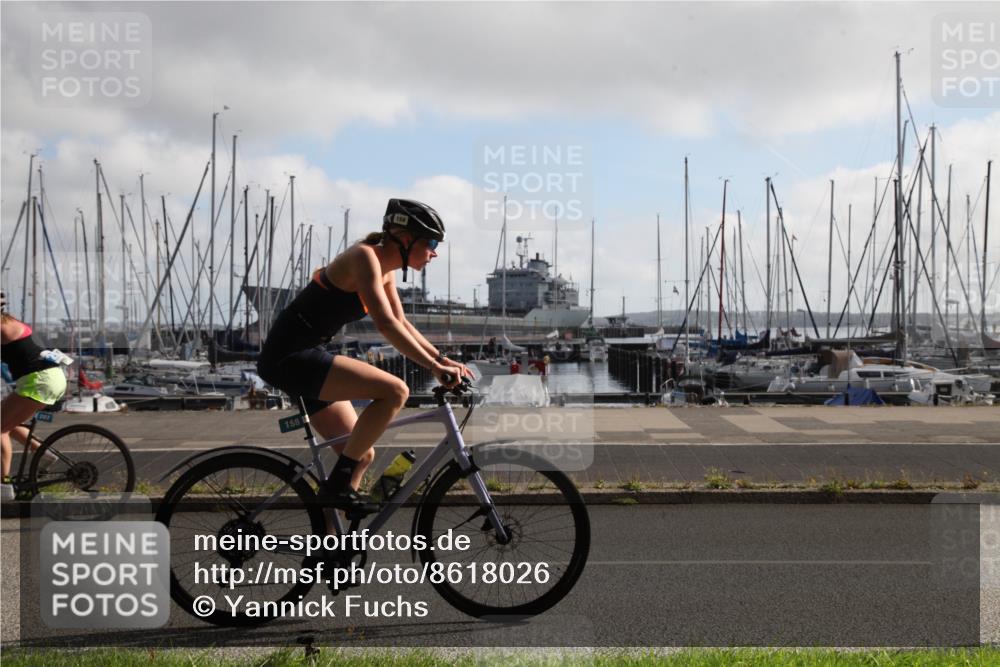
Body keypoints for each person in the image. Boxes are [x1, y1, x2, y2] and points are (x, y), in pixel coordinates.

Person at [257, 199, 473, 512]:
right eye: (431, 242)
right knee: (396, 391)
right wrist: (434, 367)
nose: (434, 252)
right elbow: (385, 325)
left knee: (360, 454)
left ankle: (331, 550)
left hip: (306, 354)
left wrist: (442, 359)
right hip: (290, 357)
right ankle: (337, 487)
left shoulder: (385, 271)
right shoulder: (364, 257)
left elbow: (401, 322)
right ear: (404, 237)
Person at [1, 292, 66, 500]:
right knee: (7, 423)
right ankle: (43, 454)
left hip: (39, 380)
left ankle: (3, 485)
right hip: (48, 376)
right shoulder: (10, 321)